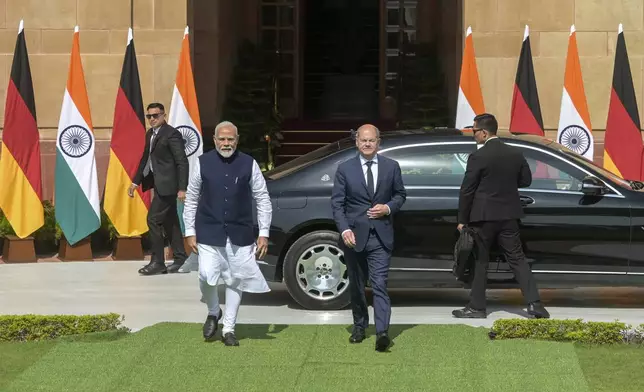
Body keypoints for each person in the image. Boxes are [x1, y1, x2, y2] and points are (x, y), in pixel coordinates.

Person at [183, 121, 271, 346]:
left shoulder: (248, 163)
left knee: (235, 281)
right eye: (222, 139)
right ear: (214, 140)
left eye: (230, 139)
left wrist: (263, 233)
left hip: (240, 233)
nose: (226, 143)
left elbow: (262, 198)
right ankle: (214, 312)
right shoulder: (202, 163)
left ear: (237, 140)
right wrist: (190, 231)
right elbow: (192, 198)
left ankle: (229, 329)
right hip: (208, 231)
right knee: (206, 276)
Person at [454, 113, 550, 319]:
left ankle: (477, 307)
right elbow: (525, 181)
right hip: (509, 215)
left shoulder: (478, 156)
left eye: (474, 131)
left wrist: (462, 219)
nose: (473, 135)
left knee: (481, 261)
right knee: (517, 259)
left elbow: (467, 190)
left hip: (483, 217)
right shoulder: (515, 153)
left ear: (484, 132)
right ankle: (535, 304)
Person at [331, 124, 406, 352]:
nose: (367, 144)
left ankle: (382, 331)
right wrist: (345, 230)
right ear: (356, 142)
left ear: (378, 142)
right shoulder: (345, 169)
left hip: (381, 237)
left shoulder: (391, 167)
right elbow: (337, 204)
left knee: (380, 284)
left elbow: (400, 195)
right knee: (356, 285)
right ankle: (359, 326)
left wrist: (388, 208)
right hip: (354, 237)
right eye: (363, 140)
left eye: (371, 140)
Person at [130, 103, 189, 275]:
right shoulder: (150, 134)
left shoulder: (171, 134)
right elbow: (145, 159)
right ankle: (180, 258)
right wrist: (135, 182)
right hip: (159, 184)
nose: (152, 119)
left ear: (164, 116)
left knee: (153, 220)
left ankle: (157, 262)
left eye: (156, 115)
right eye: (149, 116)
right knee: (170, 221)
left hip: (169, 186)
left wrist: (182, 188)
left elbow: (182, 161)